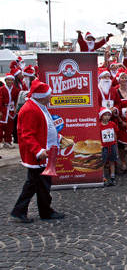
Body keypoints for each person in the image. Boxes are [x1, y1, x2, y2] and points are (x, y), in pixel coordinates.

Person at [10, 79, 65, 223]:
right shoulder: (31, 110)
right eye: (49, 94)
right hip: (38, 156)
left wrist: (59, 138)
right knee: (41, 184)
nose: (51, 97)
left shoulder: (38, 106)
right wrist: (38, 151)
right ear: (42, 96)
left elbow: (46, 129)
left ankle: (23, 211)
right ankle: (42, 211)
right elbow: (26, 135)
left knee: (35, 184)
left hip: (42, 154)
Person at [99, 107, 119, 186]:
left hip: (112, 145)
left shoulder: (112, 124)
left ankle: (112, 176)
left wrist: (115, 143)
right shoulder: (99, 126)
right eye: (105, 115)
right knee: (103, 162)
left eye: (108, 115)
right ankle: (103, 176)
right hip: (103, 147)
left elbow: (115, 134)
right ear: (101, 116)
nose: (107, 117)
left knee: (112, 161)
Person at [0, 72, 20, 149]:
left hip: (11, 110)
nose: (10, 81)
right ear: (5, 80)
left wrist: (15, 108)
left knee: (10, 127)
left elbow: (16, 100)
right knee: (1, 127)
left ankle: (7, 142)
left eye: (11, 80)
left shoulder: (15, 90)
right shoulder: (1, 89)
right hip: (3, 110)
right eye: (8, 80)